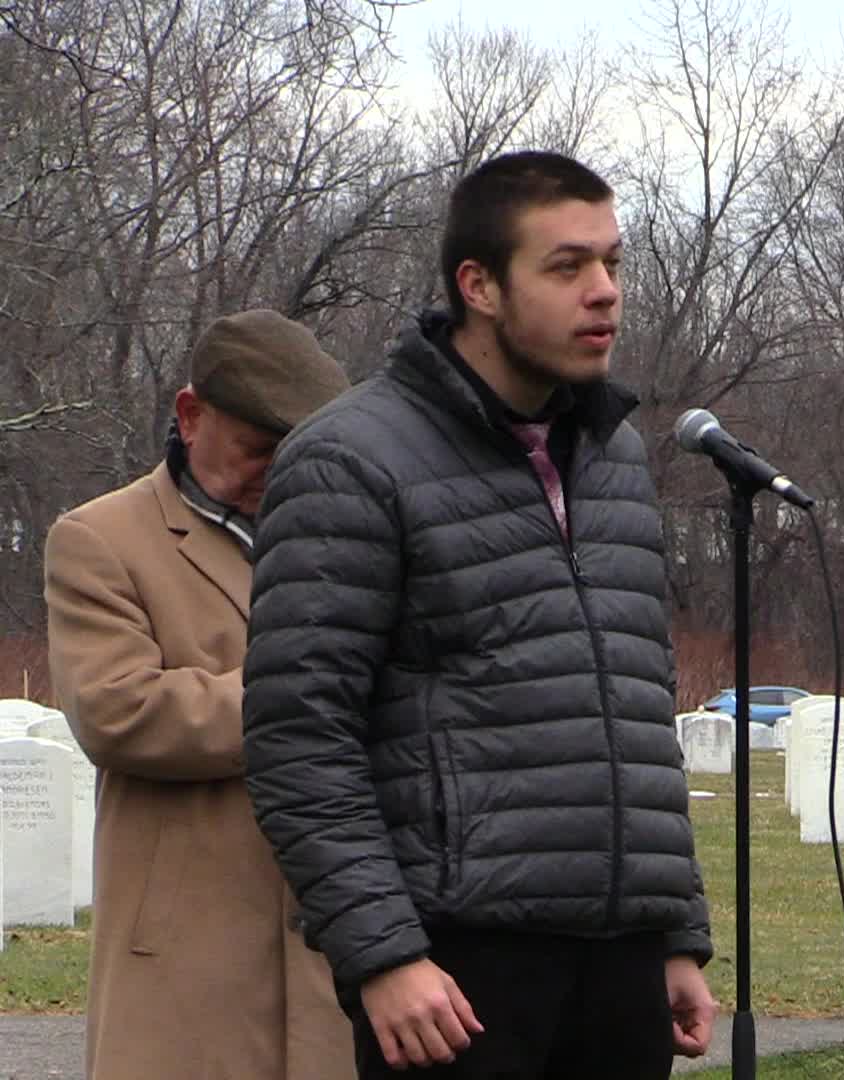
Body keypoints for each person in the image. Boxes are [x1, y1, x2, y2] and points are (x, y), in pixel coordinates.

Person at [242, 150, 717, 1080]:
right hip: (455, 970)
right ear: (479, 286)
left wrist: (672, 932)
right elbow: (300, 734)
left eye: (613, 262)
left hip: (620, 964)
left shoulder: (615, 455)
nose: (604, 291)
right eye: (567, 266)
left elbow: (631, 706)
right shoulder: (352, 458)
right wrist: (383, 956)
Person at [42, 310, 354, 1080]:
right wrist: (304, 697)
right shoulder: (101, 540)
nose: (277, 470)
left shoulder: (353, 541)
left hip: (342, 959)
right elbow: (119, 711)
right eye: (257, 448)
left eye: (297, 451)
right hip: (186, 967)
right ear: (190, 416)